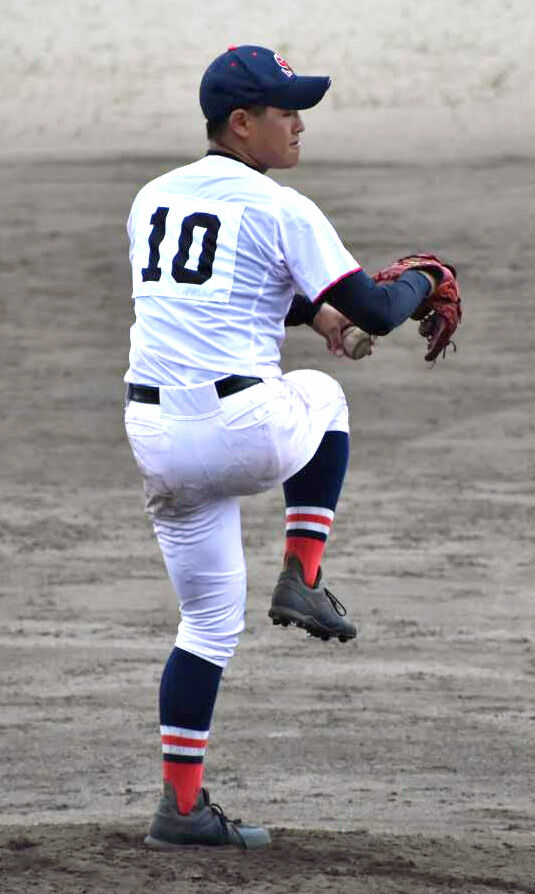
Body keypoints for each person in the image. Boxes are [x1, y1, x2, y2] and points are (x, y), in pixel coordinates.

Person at [123, 45, 438, 849]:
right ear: (240, 123)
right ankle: (302, 575)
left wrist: (314, 314)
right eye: (284, 111)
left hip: (157, 439)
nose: (298, 125)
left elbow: (221, 287)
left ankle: (179, 811)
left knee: (206, 625)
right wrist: (427, 278)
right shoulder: (280, 205)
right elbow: (377, 307)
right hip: (243, 429)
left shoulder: (153, 198)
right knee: (323, 395)